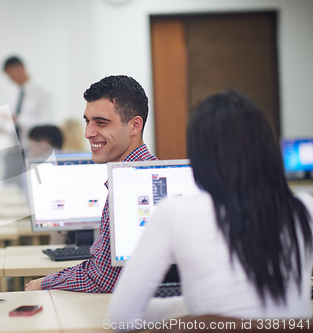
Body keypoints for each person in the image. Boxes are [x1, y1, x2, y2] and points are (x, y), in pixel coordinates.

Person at [108, 91, 313, 330]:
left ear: (200, 155)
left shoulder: (176, 213)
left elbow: (122, 319)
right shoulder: (304, 209)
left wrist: (197, 312)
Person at [25, 75, 158, 292]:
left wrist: (44, 283)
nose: (88, 133)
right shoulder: (140, 172)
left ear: (135, 125)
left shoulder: (131, 183)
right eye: (87, 121)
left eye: (101, 123)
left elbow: (103, 278)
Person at [0, 56, 53, 185]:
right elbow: (15, 121)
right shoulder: (15, 92)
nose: (11, 79)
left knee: (32, 185)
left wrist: (19, 119)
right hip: (15, 148)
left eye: (11, 75)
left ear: (20, 68)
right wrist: (4, 128)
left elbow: (45, 122)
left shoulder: (42, 91)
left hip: (33, 147)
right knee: (9, 186)